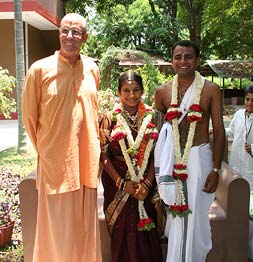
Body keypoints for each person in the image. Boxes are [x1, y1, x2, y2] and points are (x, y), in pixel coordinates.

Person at [21, 13, 101, 261]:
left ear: (84, 37)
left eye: (76, 32)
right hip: (57, 165)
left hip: (86, 162)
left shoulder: (92, 69)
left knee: (85, 231)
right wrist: (48, 152)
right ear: (59, 34)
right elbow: (29, 119)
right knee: (57, 233)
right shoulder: (39, 70)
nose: (70, 36)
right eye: (65, 30)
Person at [154, 40, 225, 261]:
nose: (183, 61)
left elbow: (220, 130)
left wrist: (215, 169)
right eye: (178, 57)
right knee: (176, 214)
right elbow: (157, 132)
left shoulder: (210, 90)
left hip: (199, 156)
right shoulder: (162, 92)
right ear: (172, 60)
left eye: (188, 57)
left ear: (197, 60)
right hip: (172, 160)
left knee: (197, 216)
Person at [99, 70, 163, 262]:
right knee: (122, 231)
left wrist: (148, 184)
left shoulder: (153, 117)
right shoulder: (108, 118)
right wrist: (121, 183)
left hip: (146, 182)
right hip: (118, 184)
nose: (132, 95)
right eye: (126, 90)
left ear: (143, 91)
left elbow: (157, 155)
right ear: (119, 93)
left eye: (136, 90)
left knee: (146, 232)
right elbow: (103, 156)